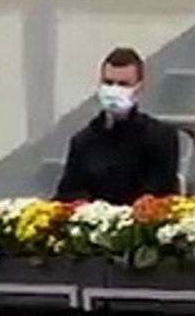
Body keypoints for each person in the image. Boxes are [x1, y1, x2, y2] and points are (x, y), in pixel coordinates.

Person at [54, 46, 181, 205]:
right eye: (108, 82)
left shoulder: (161, 137)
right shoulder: (83, 141)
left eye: (123, 84)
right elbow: (67, 193)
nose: (114, 90)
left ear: (139, 86)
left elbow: (162, 194)